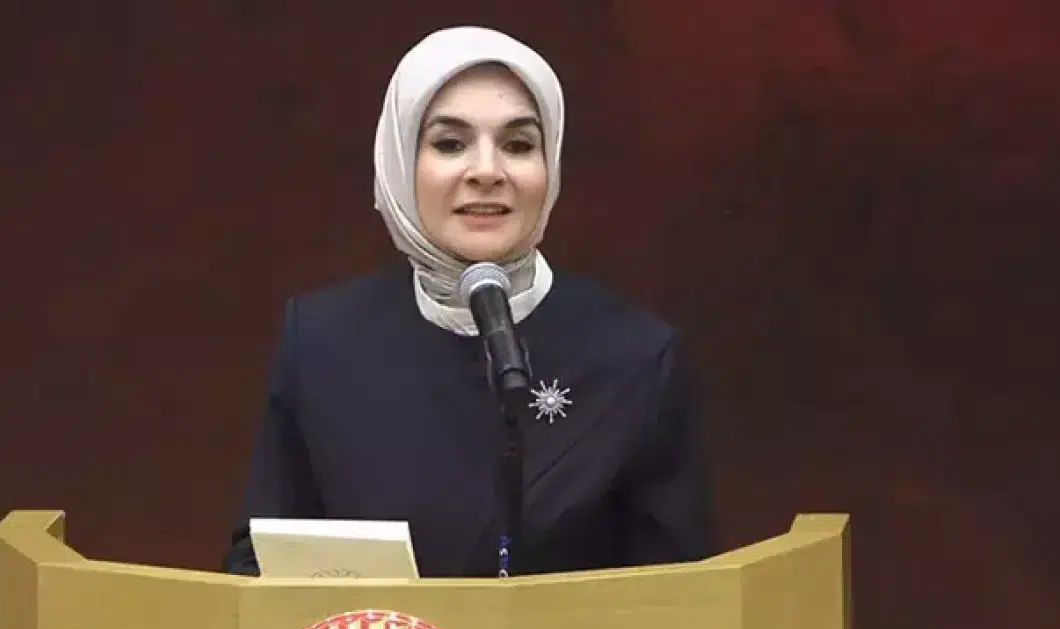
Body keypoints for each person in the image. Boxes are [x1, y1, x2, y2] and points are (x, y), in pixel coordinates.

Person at [222, 26, 714, 578]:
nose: (486, 171)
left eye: (518, 145)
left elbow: (681, 602)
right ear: (400, 162)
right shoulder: (321, 341)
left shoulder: (637, 357)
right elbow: (259, 564)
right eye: (450, 144)